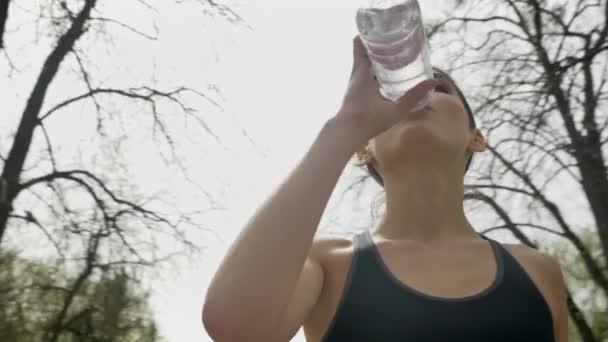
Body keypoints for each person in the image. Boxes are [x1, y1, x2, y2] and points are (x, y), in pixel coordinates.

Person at [202, 36, 569, 342]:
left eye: (438, 87)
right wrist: (345, 127)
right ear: (364, 149)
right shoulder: (325, 263)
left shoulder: (537, 271)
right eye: (395, 92)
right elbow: (234, 327)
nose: (417, 95)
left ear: (476, 138)